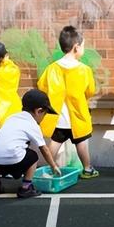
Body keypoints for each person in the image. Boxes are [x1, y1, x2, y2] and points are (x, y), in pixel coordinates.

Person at [37, 25, 99, 179]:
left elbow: (42, 87)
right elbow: (90, 91)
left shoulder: (51, 69)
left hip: (57, 117)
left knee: (55, 142)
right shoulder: (84, 70)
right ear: (76, 47)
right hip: (77, 117)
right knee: (81, 143)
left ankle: (48, 168)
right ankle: (87, 169)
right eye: (83, 46)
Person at [0, 89, 62, 198]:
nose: (44, 118)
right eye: (45, 114)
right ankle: (26, 187)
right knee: (33, 156)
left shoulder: (11, 118)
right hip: (12, 160)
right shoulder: (32, 124)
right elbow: (44, 149)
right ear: (38, 111)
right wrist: (53, 166)